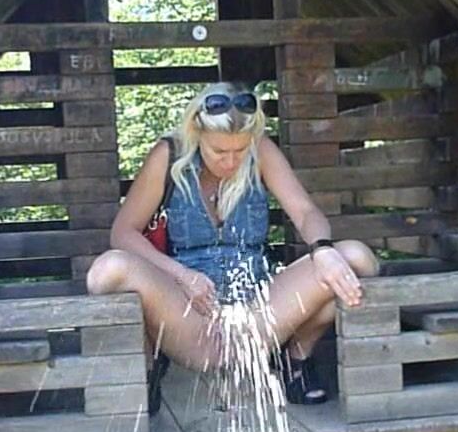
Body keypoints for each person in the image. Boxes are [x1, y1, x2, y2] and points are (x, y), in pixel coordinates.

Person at [86, 82, 379, 408]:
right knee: (108, 270)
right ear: (197, 134)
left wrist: (322, 250)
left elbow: (305, 212)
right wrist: (182, 276)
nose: (230, 161)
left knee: (354, 257)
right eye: (219, 152)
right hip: (190, 314)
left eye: (239, 151)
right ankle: (148, 364)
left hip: (260, 315)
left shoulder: (261, 149)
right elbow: (123, 233)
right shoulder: (169, 155)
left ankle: (294, 359)